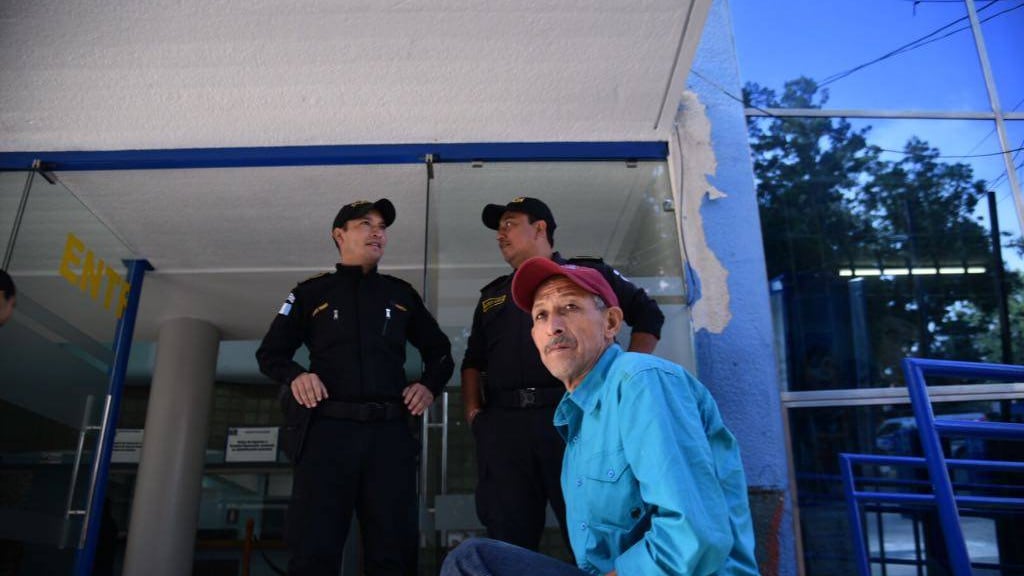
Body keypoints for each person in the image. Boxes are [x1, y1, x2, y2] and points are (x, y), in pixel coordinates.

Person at [443, 257, 759, 576]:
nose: (553, 326)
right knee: (479, 558)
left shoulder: (640, 381)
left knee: (470, 561)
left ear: (611, 323)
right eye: (541, 315)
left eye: (570, 307)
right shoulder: (575, 420)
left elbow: (692, 535)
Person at [256, 198, 454, 576]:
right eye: (365, 224)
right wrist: (297, 375)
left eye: (382, 227)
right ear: (339, 234)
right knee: (314, 547)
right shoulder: (311, 293)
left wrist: (429, 386)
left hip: (389, 435)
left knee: (393, 549)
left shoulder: (401, 294)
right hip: (327, 434)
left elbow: (441, 353)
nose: (377, 233)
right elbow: (270, 354)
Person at [461, 197, 664, 551]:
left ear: (540, 228)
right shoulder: (493, 295)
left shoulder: (585, 276)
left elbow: (649, 315)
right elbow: (473, 360)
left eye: (509, 224)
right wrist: (474, 414)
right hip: (504, 426)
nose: (500, 235)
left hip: (574, 416)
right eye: (499, 228)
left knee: (593, 529)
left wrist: (619, 382)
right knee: (508, 536)